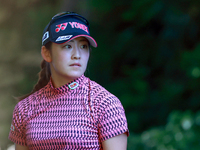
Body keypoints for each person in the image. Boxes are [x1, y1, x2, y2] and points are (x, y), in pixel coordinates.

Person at [8, 11, 129, 150]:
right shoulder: (24, 109)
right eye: (68, 46)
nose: (77, 55)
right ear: (47, 53)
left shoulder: (105, 104)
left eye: (83, 46)